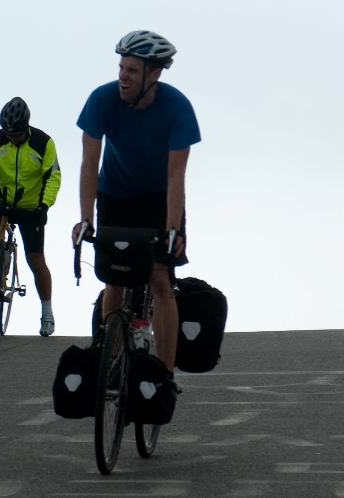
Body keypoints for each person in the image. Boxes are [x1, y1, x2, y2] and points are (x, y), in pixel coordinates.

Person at [73, 31, 201, 379]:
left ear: (153, 74)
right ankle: (111, 363)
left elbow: (177, 177)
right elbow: (88, 163)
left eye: (131, 70)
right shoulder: (102, 100)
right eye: (121, 67)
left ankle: (165, 376)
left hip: (159, 200)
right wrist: (85, 218)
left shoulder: (177, 109)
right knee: (115, 281)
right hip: (114, 195)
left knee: (160, 279)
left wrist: (173, 228)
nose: (122, 76)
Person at [0, 97, 61, 336]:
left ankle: (47, 313)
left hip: (31, 207)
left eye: (17, 135)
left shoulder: (43, 143)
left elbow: (53, 177)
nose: (12, 138)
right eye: (9, 134)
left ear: (26, 127)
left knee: (36, 262)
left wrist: (45, 205)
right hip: (2, 201)